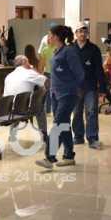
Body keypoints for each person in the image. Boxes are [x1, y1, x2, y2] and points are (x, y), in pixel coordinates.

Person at [36, 25, 84, 170]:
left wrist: (74, 87)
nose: (48, 38)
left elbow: (80, 73)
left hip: (68, 94)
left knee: (58, 124)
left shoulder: (69, 52)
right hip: (56, 94)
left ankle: (49, 158)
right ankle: (69, 156)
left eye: (50, 35)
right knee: (64, 125)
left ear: (56, 37)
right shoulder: (57, 51)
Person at [72, 24, 105, 150]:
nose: (82, 34)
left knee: (91, 112)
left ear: (87, 33)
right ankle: (78, 136)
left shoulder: (94, 49)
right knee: (76, 112)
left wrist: (102, 89)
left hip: (90, 87)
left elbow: (99, 70)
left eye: (84, 31)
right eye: (80, 31)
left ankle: (93, 138)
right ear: (76, 33)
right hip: (75, 88)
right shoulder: (70, 49)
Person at [4, 55, 48, 146]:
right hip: (23, 110)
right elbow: (44, 81)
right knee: (40, 109)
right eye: (28, 61)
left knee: (16, 104)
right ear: (24, 62)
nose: (29, 64)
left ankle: (12, 135)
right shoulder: (29, 73)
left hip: (8, 110)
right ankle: (44, 135)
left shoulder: (9, 75)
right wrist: (33, 70)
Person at [38, 31, 56, 113]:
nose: (49, 39)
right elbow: (41, 63)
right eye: (48, 37)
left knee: (54, 93)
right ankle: (48, 110)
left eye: (51, 37)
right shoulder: (44, 49)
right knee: (48, 92)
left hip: (56, 74)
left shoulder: (58, 49)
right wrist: (40, 75)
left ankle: (54, 109)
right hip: (47, 73)